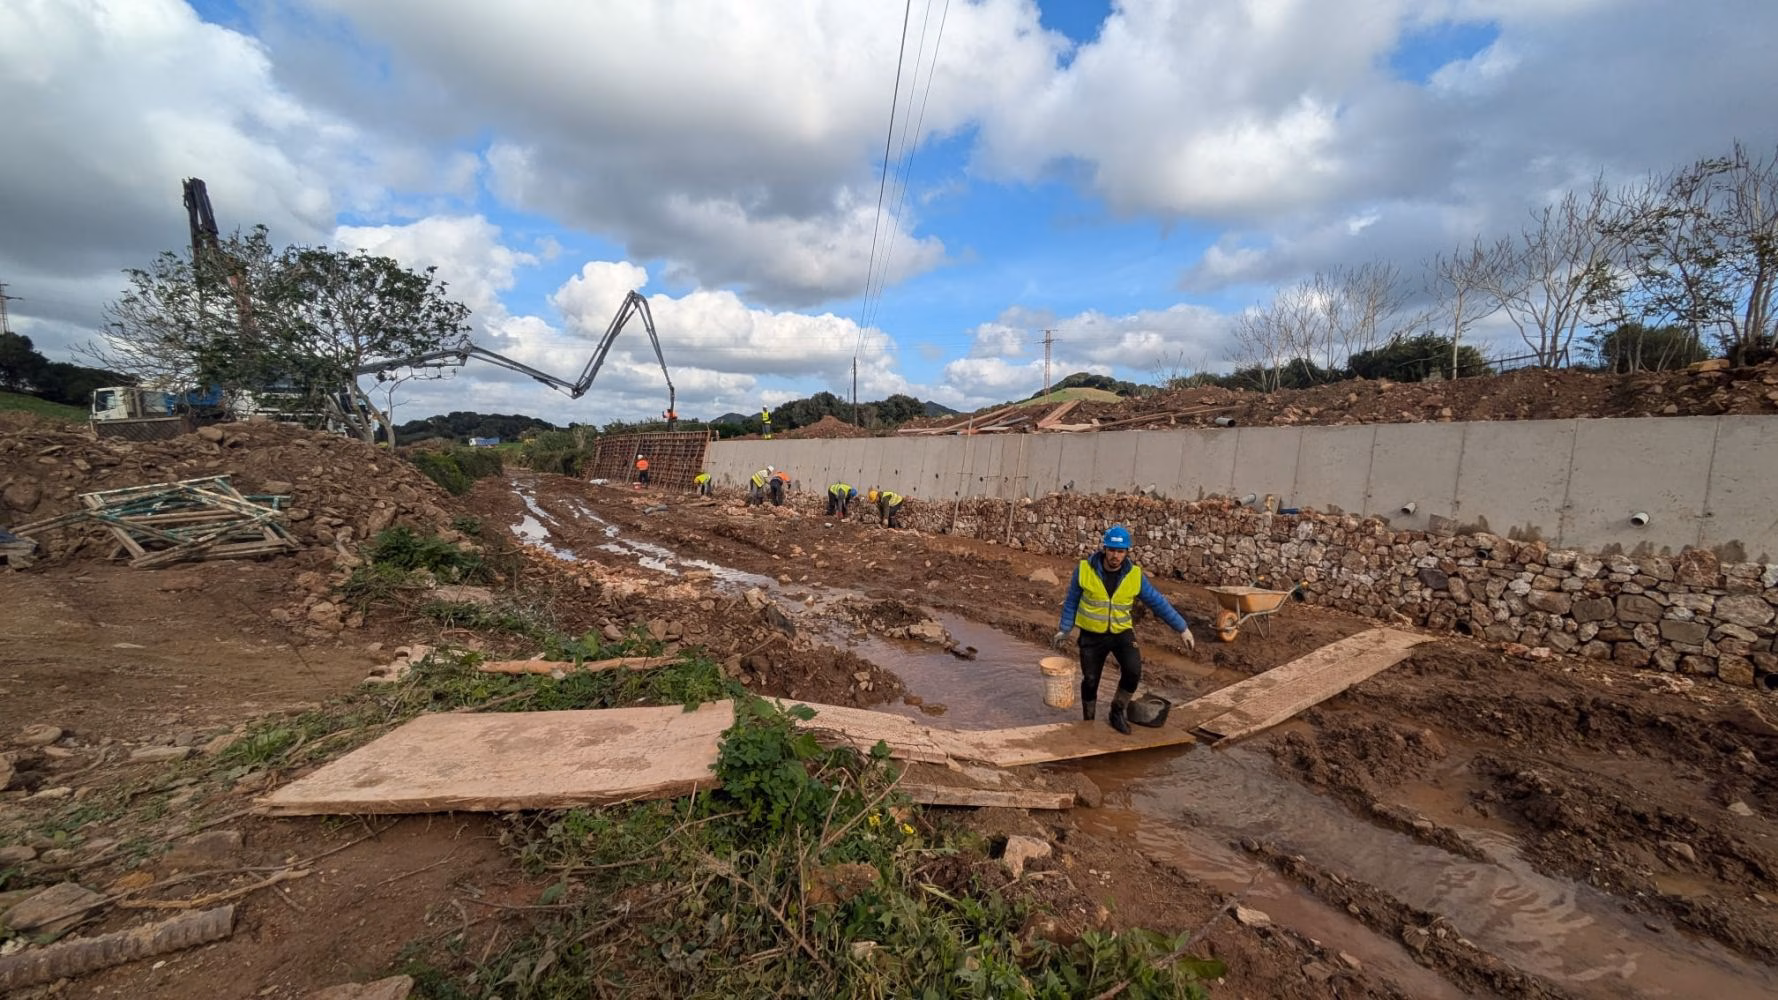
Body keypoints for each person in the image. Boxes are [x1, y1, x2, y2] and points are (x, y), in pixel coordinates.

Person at [1053, 524, 1196, 734]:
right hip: (1092, 635)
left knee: (1133, 671)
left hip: (1121, 633)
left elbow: (1157, 602)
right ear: (1104, 549)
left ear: (1126, 553)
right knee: (1091, 679)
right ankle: (1088, 720)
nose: (1115, 556)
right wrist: (1065, 629)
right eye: (1111, 550)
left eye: (1120, 551)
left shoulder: (1135, 576)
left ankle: (1117, 710)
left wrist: (1182, 628)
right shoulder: (1084, 570)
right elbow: (1072, 601)